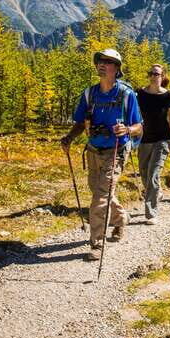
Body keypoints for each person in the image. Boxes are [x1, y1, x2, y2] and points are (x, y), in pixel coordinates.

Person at [60, 48, 143, 262]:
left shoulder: (126, 94)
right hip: (94, 149)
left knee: (100, 196)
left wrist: (127, 130)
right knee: (100, 192)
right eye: (100, 61)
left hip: (116, 150)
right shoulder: (90, 94)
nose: (101, 64)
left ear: (116, 68)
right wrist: (69, 138)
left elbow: (139, 126)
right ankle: (121, 217)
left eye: (107, 61)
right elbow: (80, 122)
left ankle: (97, 242)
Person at [136, 64, 170, 225]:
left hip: (162, 139)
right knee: (144, 173)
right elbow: (133, 115)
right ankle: (158, 192)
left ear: (163, 76)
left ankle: (151, 213)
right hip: (144, 139)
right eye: (151, 73)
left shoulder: (168, 96)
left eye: (156, 74)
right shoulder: (140, 94)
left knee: (153, 174)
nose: (153, 76)